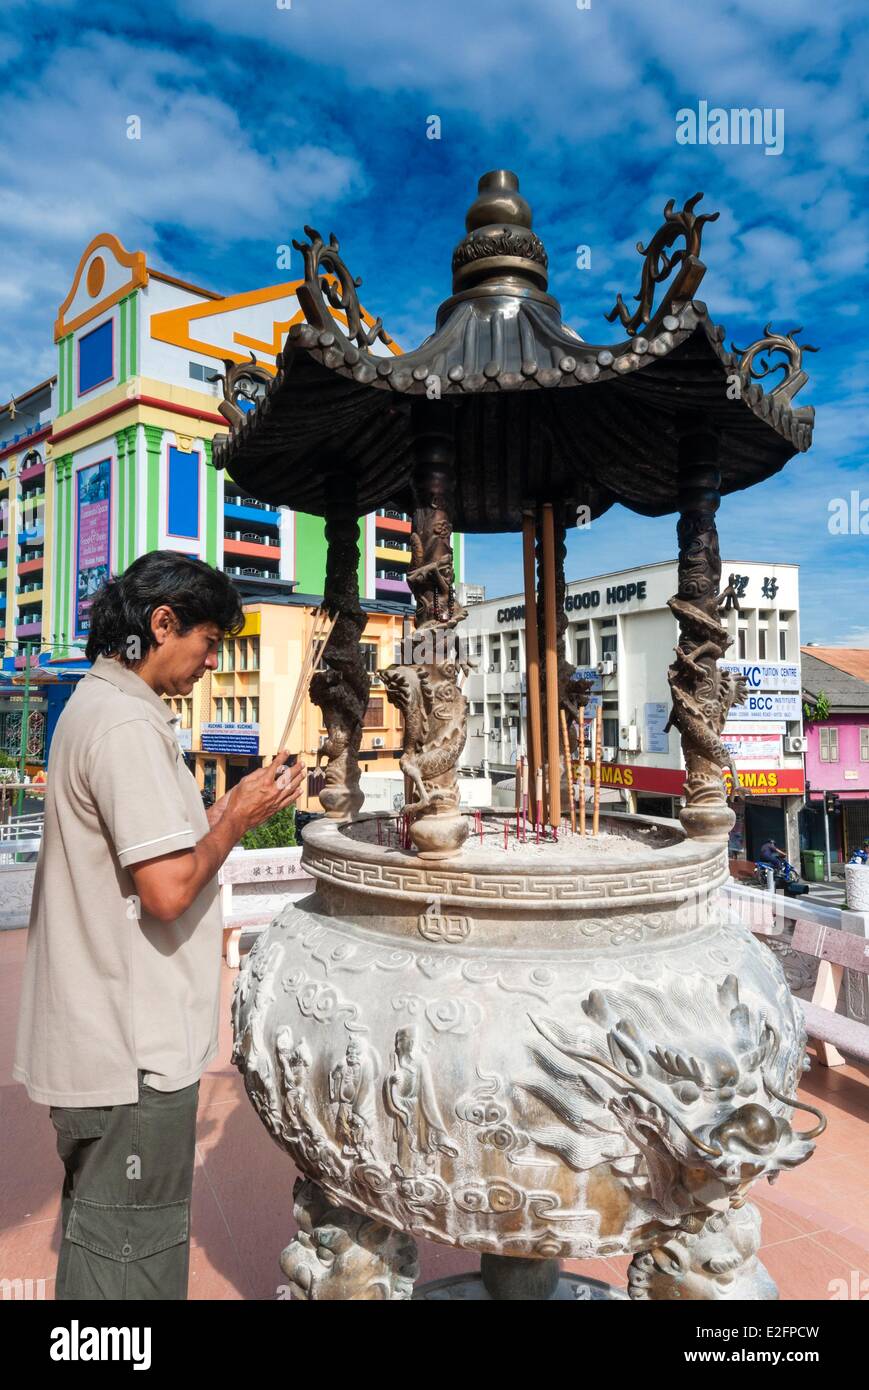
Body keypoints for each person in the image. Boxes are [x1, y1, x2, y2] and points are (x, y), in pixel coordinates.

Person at [13, 552, 305, 1301]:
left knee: (104, 1238)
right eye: (208, 640)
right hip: (129, 1053)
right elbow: (170, 890)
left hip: (107, 1042)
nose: (212, 659)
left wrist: (226, 814)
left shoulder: (105, 708)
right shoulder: (125, 728)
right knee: (131, 1262)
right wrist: (235, 816)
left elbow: (155, 853)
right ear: (161, 623)